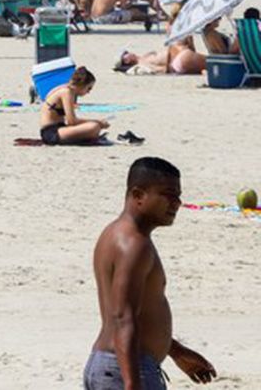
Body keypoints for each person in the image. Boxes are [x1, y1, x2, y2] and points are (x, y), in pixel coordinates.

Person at [85, 157, 217, 390]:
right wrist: (132, 383)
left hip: (110, 365)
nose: (177, 203)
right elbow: (122, 318)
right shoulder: (134, 245)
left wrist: (176, 351)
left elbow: (135, 315)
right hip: (125, 369)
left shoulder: (115, 233)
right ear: (138, 195)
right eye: (168, 195)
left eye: (178, 196)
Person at [39, 66, 108, 145]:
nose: (88, 92)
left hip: (57, 129)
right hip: (51, 133)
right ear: (82, 85)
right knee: (94, 127)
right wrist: (98, 122)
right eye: (88, 88)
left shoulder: (64, 88)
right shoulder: (66, 92)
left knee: (94, 126)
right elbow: (72, 121)